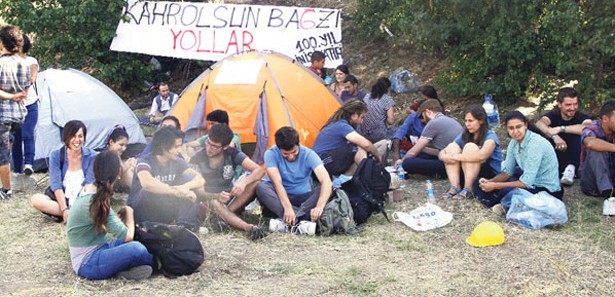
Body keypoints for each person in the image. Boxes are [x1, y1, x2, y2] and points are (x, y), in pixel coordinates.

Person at [67, 150, 154, 280]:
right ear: (118, 172)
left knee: (138, 240)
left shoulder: (91, 190)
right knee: (137, 249)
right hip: (87, 262)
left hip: (99, 247)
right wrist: (129, 212)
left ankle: (121, 270)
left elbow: (109, 226)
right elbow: (127, 237)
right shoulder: (95, 201)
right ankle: (158, 262)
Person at [190, 124, 268, 240]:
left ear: (225, 147)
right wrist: (216, 195)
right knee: (214, 202)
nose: (209, 148)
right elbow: (197, 190)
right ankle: (249, 228)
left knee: (255, 184)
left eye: (215, 146)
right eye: (208, 143)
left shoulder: (232, 153)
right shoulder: (198, 158)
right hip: (208, 199)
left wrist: (243, 183)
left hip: (229, 199)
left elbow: (259, 171)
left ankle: (222, 218)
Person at [476, 111, 563, 211]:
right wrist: (490, 181)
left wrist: (495, 186)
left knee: (507, 190)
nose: (515, 131)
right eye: (511, 128)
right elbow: (508, 172)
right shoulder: (514, 143)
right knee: (477, 182)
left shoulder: (535, 144)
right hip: (529, 182)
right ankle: (502, 200)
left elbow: (526, 183)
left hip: (545, 189)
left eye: (518, 127)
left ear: (525, 125)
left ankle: (503, 203)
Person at [127, 126, 205, 232]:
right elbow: (147, 183)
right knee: (150, 189)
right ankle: (147, 227)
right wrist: (175, 191)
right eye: (176, 147)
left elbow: (200, 178)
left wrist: (184, 188)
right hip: (140, 211)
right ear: (164, 146)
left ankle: (186, 226)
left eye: (180, 146)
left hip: (163, 209)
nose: (179, 150)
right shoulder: (145, 161)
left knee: (188, 180)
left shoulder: (177, 161)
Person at [256, 127, 332, 233]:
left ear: (298, 144)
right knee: (261, 187)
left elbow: (326, 180)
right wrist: (287, 208)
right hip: (279, 199)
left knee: (325, 189)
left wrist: (319, 206)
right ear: (279, 149)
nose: (291, 156)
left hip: (302, 199)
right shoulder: (271, 154)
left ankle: (288, 222)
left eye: (294, 152)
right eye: (286, 154)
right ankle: (300, 222)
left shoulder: (309, 154)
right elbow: (277, 183)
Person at [31, 120, 96, 222]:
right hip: (63, 196)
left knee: (96, 199)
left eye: (80, 136)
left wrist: (78, 203)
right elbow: (56, 185)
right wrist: (64, 209)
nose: (77, 140)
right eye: (73, 136)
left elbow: (89, 183)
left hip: (83, 196)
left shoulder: (92, 156)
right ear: (66, 137)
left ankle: (73, 213)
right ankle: (71, 214)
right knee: (36, 199)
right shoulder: (56, 155)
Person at [439, 104, 502, 199]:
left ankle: (469, 189)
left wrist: (454, 157)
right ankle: (455, 186)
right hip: (468, 171)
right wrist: (444, 156)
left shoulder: (490, 137)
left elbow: (482, 156)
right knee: (452, 147)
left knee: (470, 147)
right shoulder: (465, 134)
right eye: (466, 121)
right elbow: (445, 151)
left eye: (471, 121)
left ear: (481, 121)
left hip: (488, 173)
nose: (467, 124)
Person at [313, 100, 387, 177]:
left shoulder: (338, 124)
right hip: (322, 163)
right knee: (356, 148)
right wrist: (377, 155)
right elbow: (365, 144)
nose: (362, 121)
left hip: (328, 161)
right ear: (354, 115)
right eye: (362, 117)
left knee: (359, 152)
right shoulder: (342, 125)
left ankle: (346, 181)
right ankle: (370, 178)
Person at [535, 87, 591, 186]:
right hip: (557, 152)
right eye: (568, 105)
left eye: (575, 104)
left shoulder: (582, 117)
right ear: (559, 104)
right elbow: (540, 124)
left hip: (575, 155)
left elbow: (587, 127)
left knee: (579, 135)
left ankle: (571, 169)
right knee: (537, 133)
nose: (573, 108)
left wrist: (561, 129)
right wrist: (555, 136)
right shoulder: (553, 115)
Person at [394, 99, 463, 178]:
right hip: (457, 160)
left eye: (422, 116)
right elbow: (440, 151)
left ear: (428, 112)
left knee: (408, 162)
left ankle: (436, 174)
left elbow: (413, 152)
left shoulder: (433, 123)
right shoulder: (450, 120)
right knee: (422, 155)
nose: (422, 121)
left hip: (449, 163)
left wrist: (401, 161)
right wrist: (424, 149)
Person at [0, 25, 30, 199]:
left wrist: (10, 96)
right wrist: (15, 95)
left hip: (3, 113)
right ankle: (7, 181)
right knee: (7, 148)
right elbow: (25, 88)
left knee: (2, 153)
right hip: (18, 115)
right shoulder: (24, 63)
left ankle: (6, 190)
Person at [579, 101, 615, 216]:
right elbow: (590, 143)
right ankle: (609, 197)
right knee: (596, 148)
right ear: (605, 118)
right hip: (591, 183)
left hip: (612, 176)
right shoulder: (592, 128)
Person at [12, 34, 38, 175]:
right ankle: (17, 169)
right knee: (16, 138)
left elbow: (32, 78)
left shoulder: (31, 61)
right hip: (14, 104)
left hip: (30, 103)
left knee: (28, 133)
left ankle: (28, 164)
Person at [391, 98, 445, 165]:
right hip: (419, 149)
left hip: (433, 152)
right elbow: (399, 133)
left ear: (428, 112)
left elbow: (440, 148)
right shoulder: (414, 117)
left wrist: (422, 147)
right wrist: (396, 155)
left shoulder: (437, 122)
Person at [360, 77, 396, 143]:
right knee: (398, 131)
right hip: (379, 135)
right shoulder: (387, 99)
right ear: (388, 88)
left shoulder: (367, 96)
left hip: (364, 133)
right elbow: (390, 121)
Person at [104, 125, 136, 189]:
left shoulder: (116, 155)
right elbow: (108, 183)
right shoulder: (104, 157)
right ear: (111, 142)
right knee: (128, 170)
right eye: (121, 145)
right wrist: (125, 168)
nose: (124, 149)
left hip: (118, 184)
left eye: (125, 145)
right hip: (108, 187)